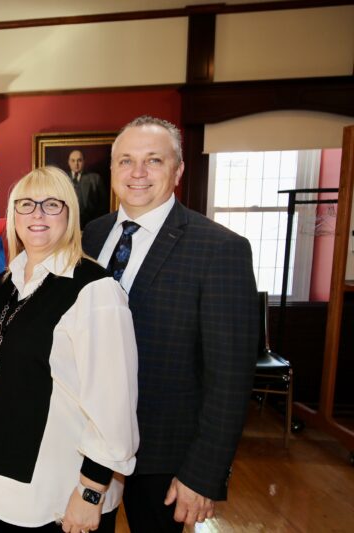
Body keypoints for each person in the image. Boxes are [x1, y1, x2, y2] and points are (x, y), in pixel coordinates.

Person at [82, 116, 259, 532]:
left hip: (163, 457)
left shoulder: (220, 249)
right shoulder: (90, 234)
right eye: (125, 160)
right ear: (111, 171)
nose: (137, 173)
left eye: (153, 160)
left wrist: (204, 473)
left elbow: (230, 376)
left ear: (178, 170)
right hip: (85, 446)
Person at [0, 166, 139, 533]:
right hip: (4, 481)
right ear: (12, 215)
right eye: (26, 204)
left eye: (51, 204)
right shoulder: (6, 282)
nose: (37, 214)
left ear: (70, 215)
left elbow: (113, 403)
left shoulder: (95, 290)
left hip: (59, 491)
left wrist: (90, 491)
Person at [65, 149, 109, 227]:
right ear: (68, 162)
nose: (76, 164)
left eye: (79, 160)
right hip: (68, 224)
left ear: (84, 161)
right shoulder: (63, 178)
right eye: (73, 161)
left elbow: (103, 205)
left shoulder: (95, 179)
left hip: (90, 224)